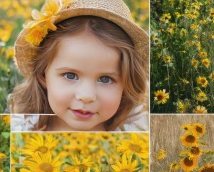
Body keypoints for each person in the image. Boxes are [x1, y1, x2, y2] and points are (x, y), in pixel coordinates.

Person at [9, 0, 149, 131]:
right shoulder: (19, 132)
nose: (86, 96)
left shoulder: (136, 134)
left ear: (126, 85)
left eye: (105, 79)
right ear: (43, 75)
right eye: (70, 75)